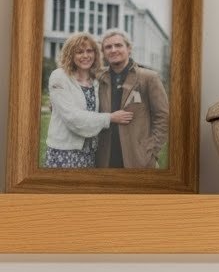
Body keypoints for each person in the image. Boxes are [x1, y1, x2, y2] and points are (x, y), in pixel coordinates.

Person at [44, 32, 133, 169]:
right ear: (70, 54)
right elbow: (73, 117)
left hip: (90, 153)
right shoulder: (59, 76)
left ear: (96, 53)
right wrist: (110, 118)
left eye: (89, 51)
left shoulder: (96, 79)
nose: (85, 56)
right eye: (79, 52)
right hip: (64, 152)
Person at [96, 29, 169, 170]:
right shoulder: (99, 78)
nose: (113, 50)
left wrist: (151, 150)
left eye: (118, 45)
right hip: (105, 158)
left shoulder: (149, 77)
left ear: (129, 49)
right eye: (108, 47)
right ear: (103, 53)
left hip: (138, 158)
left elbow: (163, 116)